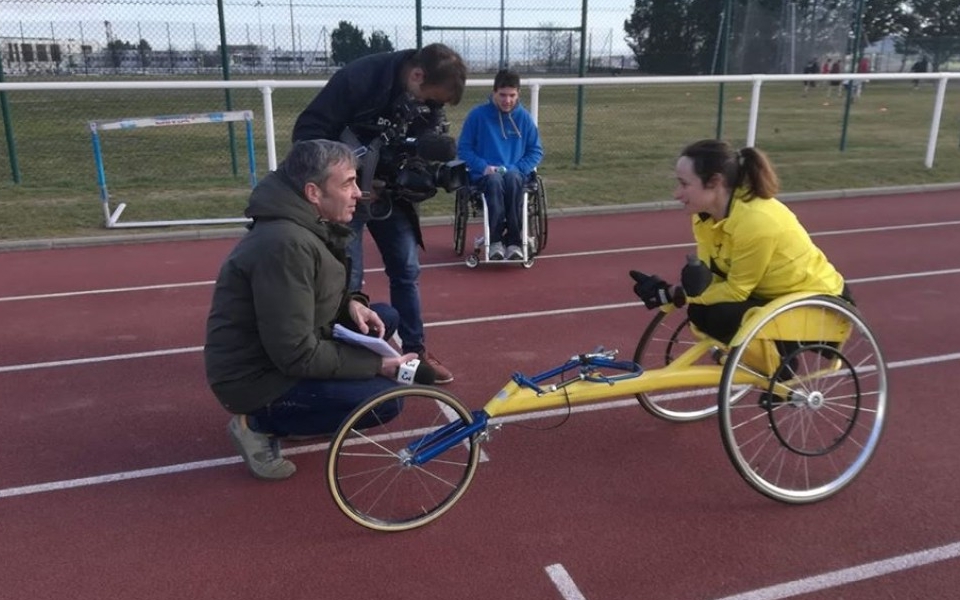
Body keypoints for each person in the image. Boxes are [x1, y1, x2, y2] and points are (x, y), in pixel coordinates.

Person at [204, 140, 430, 480]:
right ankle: (258, 423)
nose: (359, 193)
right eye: (347, 183)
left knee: (384, 318)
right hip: (257, 378)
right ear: (313, 192)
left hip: (286, 349)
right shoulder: (285, 244)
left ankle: (308, 410)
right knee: (386, 400)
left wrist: (352, 303)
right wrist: (375, 365)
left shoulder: (304, 224)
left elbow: (313, 292)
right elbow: (294, 353)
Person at [291, 43, 467, 384]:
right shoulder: (358, 78)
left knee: (406, 270)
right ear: (417, 76)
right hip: (344, 196)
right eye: (431, 99)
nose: (432, 107)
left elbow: (422, 139)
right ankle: (343, 360)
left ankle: (416, 353)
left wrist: (428, 152)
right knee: (347, 279)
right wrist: (346, 177)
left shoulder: (426, 98)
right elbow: (307, 135)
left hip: (392, 196)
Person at [631, 139, 853, 347]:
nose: (676, 194)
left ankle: (780, 375)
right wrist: (678, 290)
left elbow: (737, 292)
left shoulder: (757, 221)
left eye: (684, 184)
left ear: (715, 182)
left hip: (820, 305)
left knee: (722, 316)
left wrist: (676, 293)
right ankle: (771, 371)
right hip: (771, 296)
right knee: (699, 311)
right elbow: (713, 277)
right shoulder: (704, 217)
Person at [457, 69, 544, 260]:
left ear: (518, 94)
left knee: (512, 178)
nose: (507, 100)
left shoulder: (524, 118)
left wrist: (517, 168)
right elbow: (464, 149)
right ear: (494, 92)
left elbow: (536, 151)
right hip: (485, 175)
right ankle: (495, 240)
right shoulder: (477, 116)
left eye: (512, 95)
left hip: (515, 174)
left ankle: (514, 241)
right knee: (495, 180)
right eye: (503, 95)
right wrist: (483, 167)